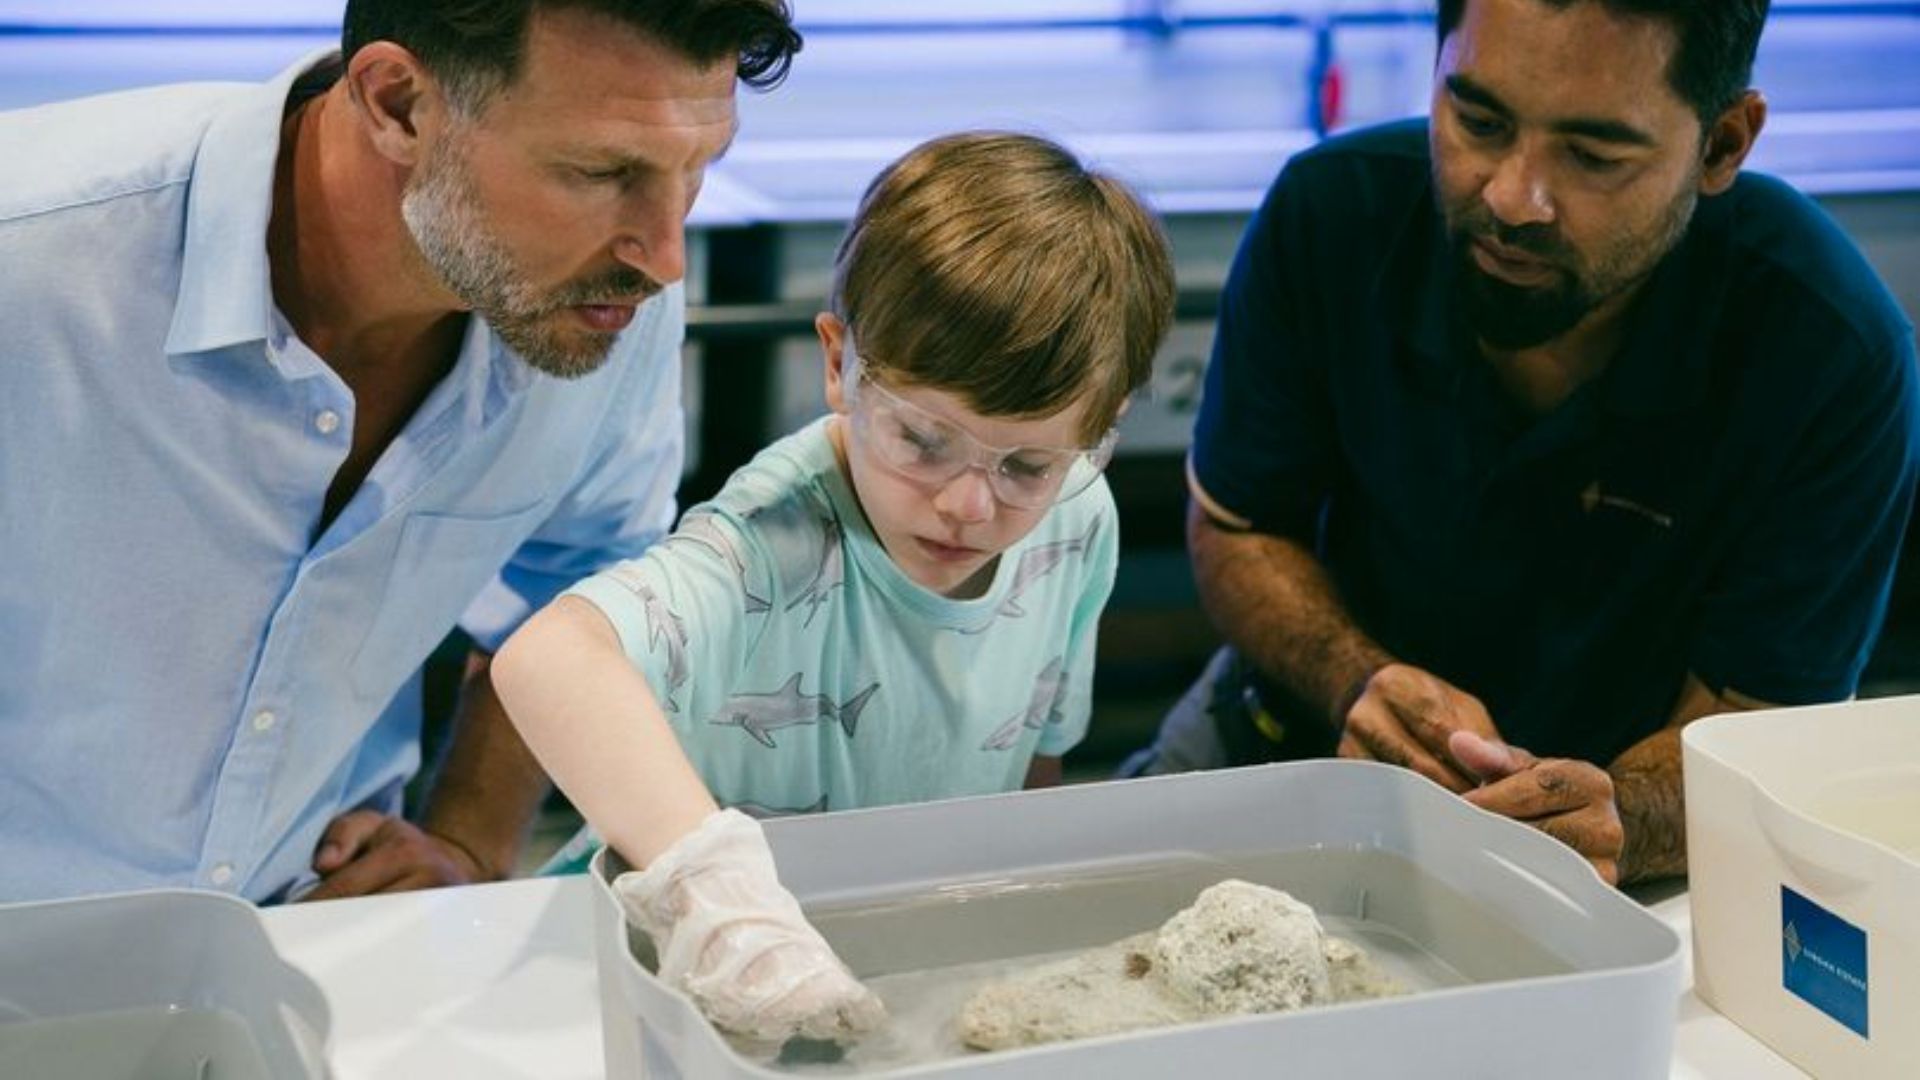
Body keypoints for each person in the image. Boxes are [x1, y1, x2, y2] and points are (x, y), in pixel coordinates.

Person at [0, 0, 802, 904]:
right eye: (601, 170)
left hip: (320, 952)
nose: (664, 257)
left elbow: (584, 588)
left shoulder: (597, 298)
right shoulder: (29, 259)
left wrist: (469, 839)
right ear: (398, 104)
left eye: (697, 169)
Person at [1124, 0, 1919, 886]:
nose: (1511, 196)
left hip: (1624, 843)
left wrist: (1622, 814)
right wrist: (1355, 676)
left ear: (1724, 144)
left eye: (1592, 154)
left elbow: (1759, 729)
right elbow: (1238, 529)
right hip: (1289, 738)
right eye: (1479, 119)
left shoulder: (1830, 350)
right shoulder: (1331, 214)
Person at [493, 131, 1176, 1044]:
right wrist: (726, 908)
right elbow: (549, 658)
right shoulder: (772, 543)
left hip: (891, 945)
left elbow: (1035, 761)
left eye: (1024, 464)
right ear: (836, 362)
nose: (968, 503)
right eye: (924, 439)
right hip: (672, 976)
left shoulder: (1078, 515)